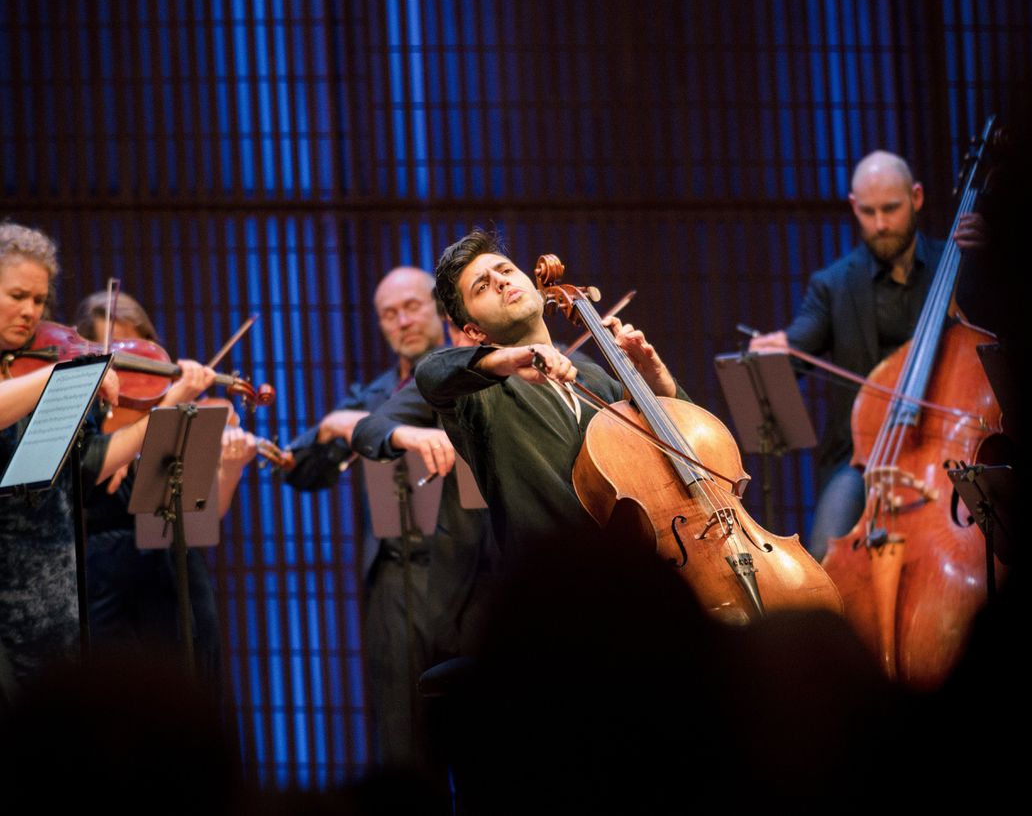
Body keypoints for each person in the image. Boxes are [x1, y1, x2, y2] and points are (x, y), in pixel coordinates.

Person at [749, 151, 983, 561]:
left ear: (917, 197)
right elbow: (796, 349)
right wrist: (775, 350)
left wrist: (990, 264)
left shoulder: (958, 265)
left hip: (948, 452)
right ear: (854, 207)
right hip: (862, 461)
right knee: (826, 553)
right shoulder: (833, 285)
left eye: (891, 209)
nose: (880, 224)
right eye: (869, 212)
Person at [283, 266, 461, 772]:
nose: (402, 321)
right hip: (395, 579)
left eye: (412, 307)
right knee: (404, 744)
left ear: (440, 309)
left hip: (471, 570)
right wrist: (330, 428)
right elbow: (302, 472)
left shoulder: (468, 375)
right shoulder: (372, 397)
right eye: (389, 314)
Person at [417, 228, 683, 557]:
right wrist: (511, 359)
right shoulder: (478, 395)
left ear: (533, 285)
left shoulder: (595, 378)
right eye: (482, 287)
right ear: (474, 330)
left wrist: (656, 379)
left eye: (505, 270)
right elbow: (431, 373)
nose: (500, 281)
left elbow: (684, 446)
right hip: (556, 589)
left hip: (637, 567)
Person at [0, 224, 172, 695]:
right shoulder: (45, 374)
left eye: (38, 300)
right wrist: (64, 375)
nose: (30, 312)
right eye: (17, 296)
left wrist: (156, 418)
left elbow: (88, 465)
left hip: (54, 583)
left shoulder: (41, 361)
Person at [72, 290, 258, 683]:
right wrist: (171, 403)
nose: (129, 368)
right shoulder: (84, 422)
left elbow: (202, 515)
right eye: (117, 355)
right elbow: (86, 476)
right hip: (107, 581)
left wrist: (231, 470)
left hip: (175, 569)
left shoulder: (169, 410)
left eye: (137, 352)